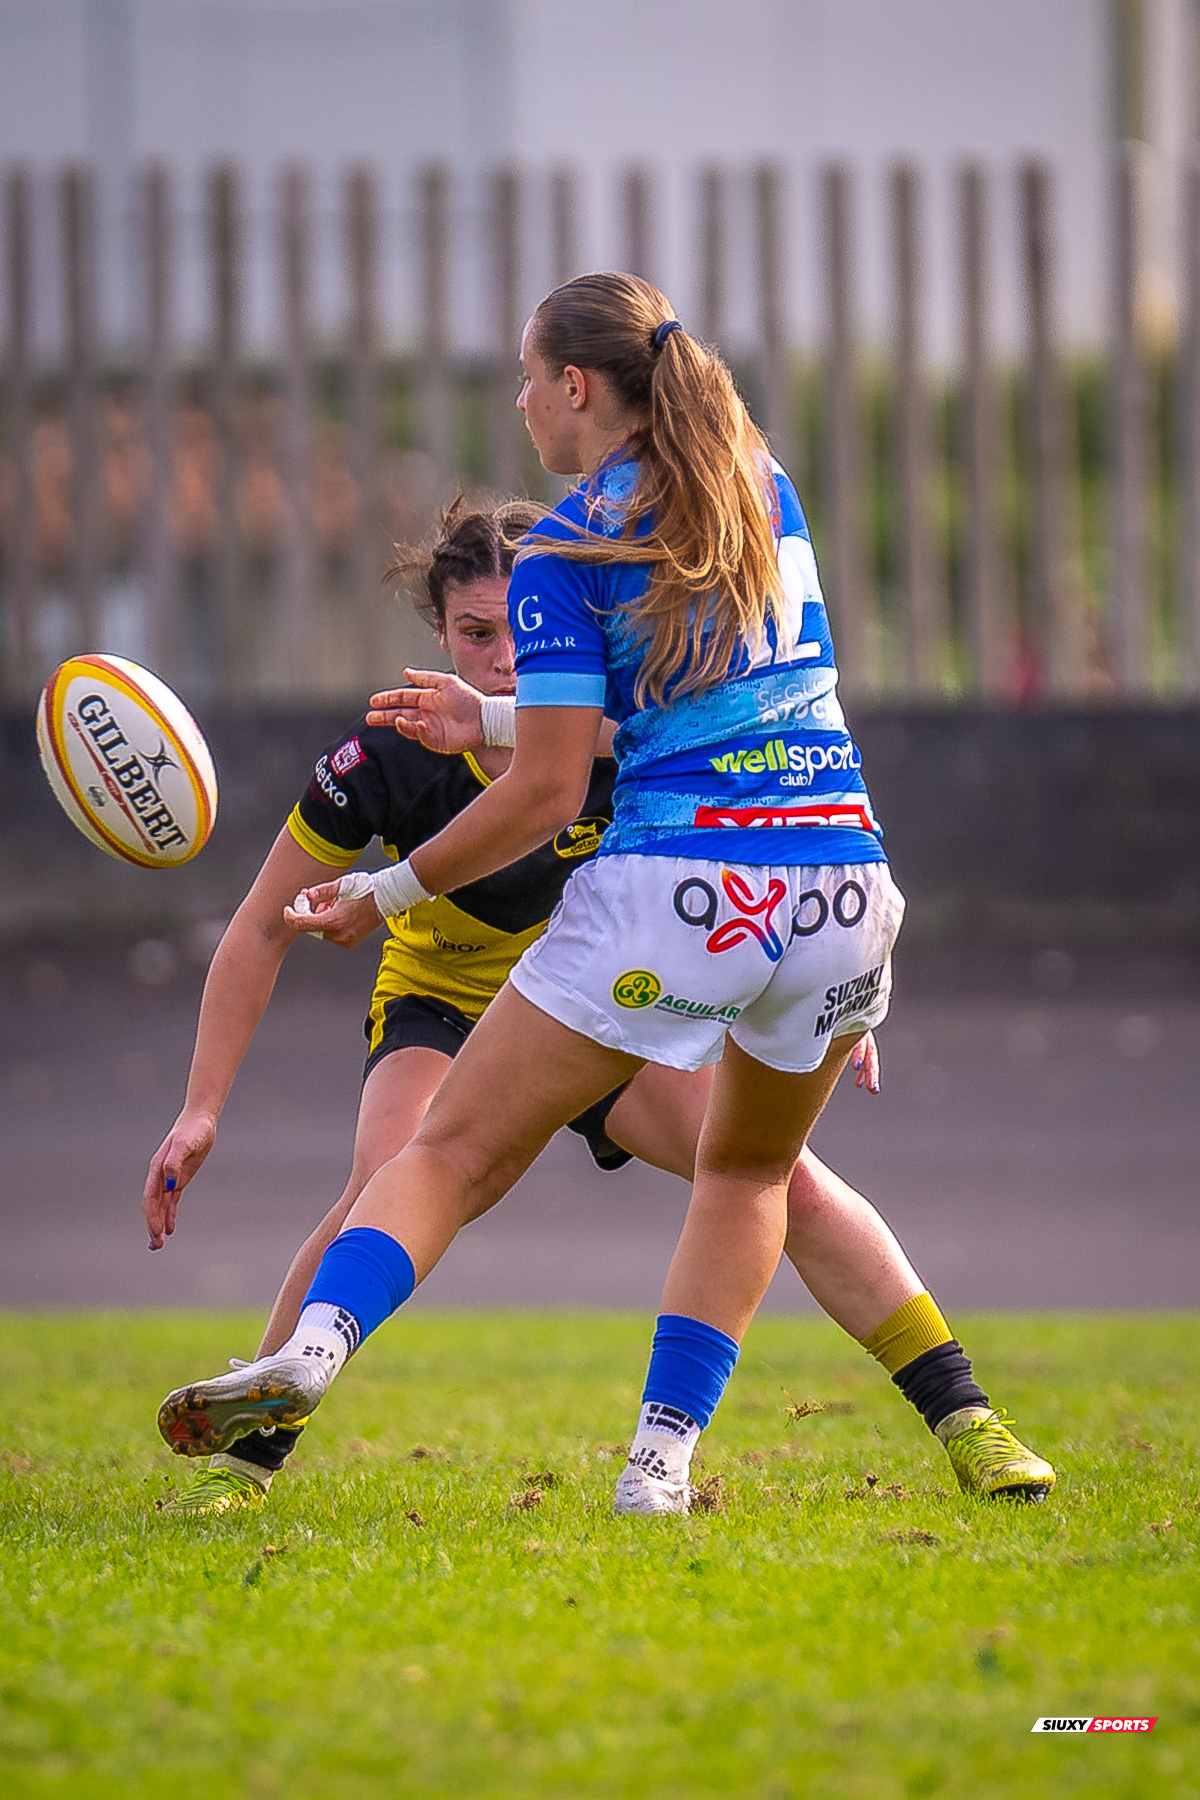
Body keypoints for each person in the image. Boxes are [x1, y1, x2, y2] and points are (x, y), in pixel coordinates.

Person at [156, 274, 1054, 1516]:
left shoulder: (566, 548)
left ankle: (309, 1355)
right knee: (755, 1177)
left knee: (447, 1155)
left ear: (576, 385)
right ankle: (667, 1467)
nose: (522, 405)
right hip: (842, 890)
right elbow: (688, 704)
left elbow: (544, 790)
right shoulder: (760, 491)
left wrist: (388, 891)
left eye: (528, 381)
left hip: (674, 901)